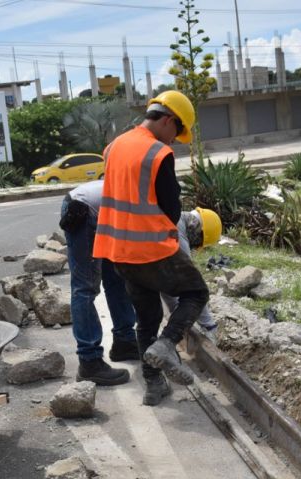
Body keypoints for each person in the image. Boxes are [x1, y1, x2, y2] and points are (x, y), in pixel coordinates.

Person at [93, 90, 210, 406]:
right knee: (196, 292)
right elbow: (172, 211)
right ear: (169, 120)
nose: (173, 140)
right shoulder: (157, 153)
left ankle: (154, 385)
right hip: (151, 250)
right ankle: (168, 344)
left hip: (120, 251)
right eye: (176, 132)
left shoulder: (114, 146)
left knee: (147, 318)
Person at [59, 179, 140, 386]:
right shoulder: (149, 203)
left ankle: (125, 341)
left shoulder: (147, 196)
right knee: (85, 288)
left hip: (100, 213)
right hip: (83, 211)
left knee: (117, 278)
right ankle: (89, 361)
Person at [161, 208, 221, 338]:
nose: (195, 246)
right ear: (197, 228)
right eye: (198, 241)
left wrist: (176, 311)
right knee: (198, 292)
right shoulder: (177, 232)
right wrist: (208, 324)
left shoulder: (175, 219)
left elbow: (165, 281)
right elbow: (192, 283)